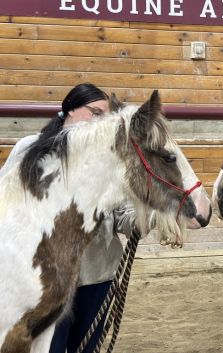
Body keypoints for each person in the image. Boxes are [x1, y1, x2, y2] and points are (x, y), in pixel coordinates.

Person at [0, 83, 137, 353]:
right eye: (95, 112)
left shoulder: (108, 161)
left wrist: (152, 219)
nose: (100, 121)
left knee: (87, 347)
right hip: (41, 280)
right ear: (70, 110)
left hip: (96, 275)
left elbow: (124, 217)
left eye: (105, 116)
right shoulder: (30, 148)